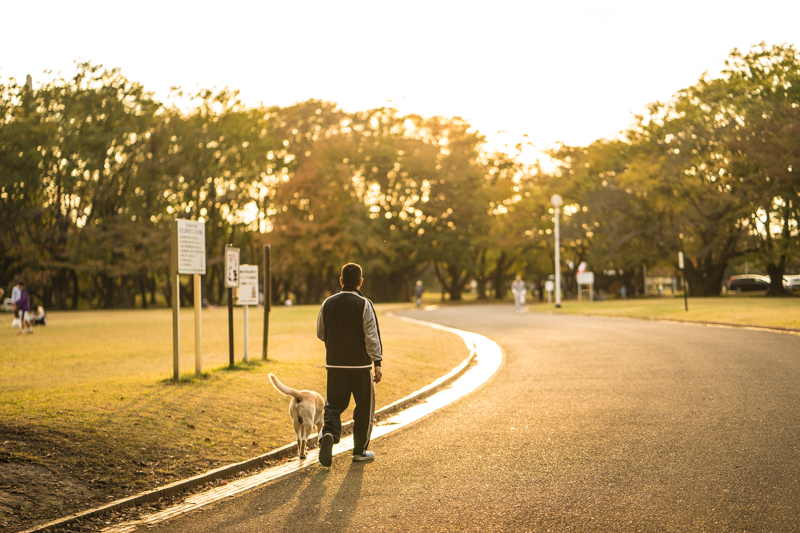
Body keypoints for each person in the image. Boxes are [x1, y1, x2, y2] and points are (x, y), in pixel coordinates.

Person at [316, 263, 383, 466]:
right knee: (364, 407)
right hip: (360, 367)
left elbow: (320, 332)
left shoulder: (328, 303)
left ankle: (328, 434)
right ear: (360, 282)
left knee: (333, 406)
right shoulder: (364, 304)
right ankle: (359, 450)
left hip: (334, 366)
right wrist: (377, 362)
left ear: (341, 281)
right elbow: (371, 336)